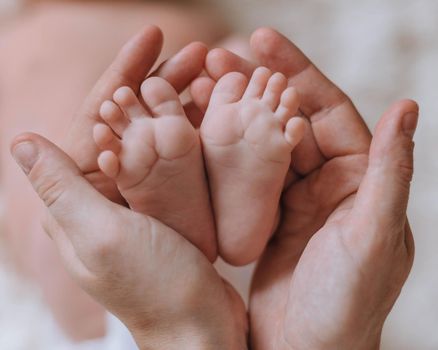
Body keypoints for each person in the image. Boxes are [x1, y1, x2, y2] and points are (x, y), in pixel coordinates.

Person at [10, 26, 417, 349]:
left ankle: (181, 209)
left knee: (55, 235)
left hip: (130, 299)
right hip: (268, 276)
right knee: (238, 67)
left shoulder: (22, 32)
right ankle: (235, 176)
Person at [0, 0, 228, 341]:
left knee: (55, 238)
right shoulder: (190, 22)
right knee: (227, 79)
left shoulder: (19, 36)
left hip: (53, 204)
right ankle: (229, 141)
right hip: (160, 166)